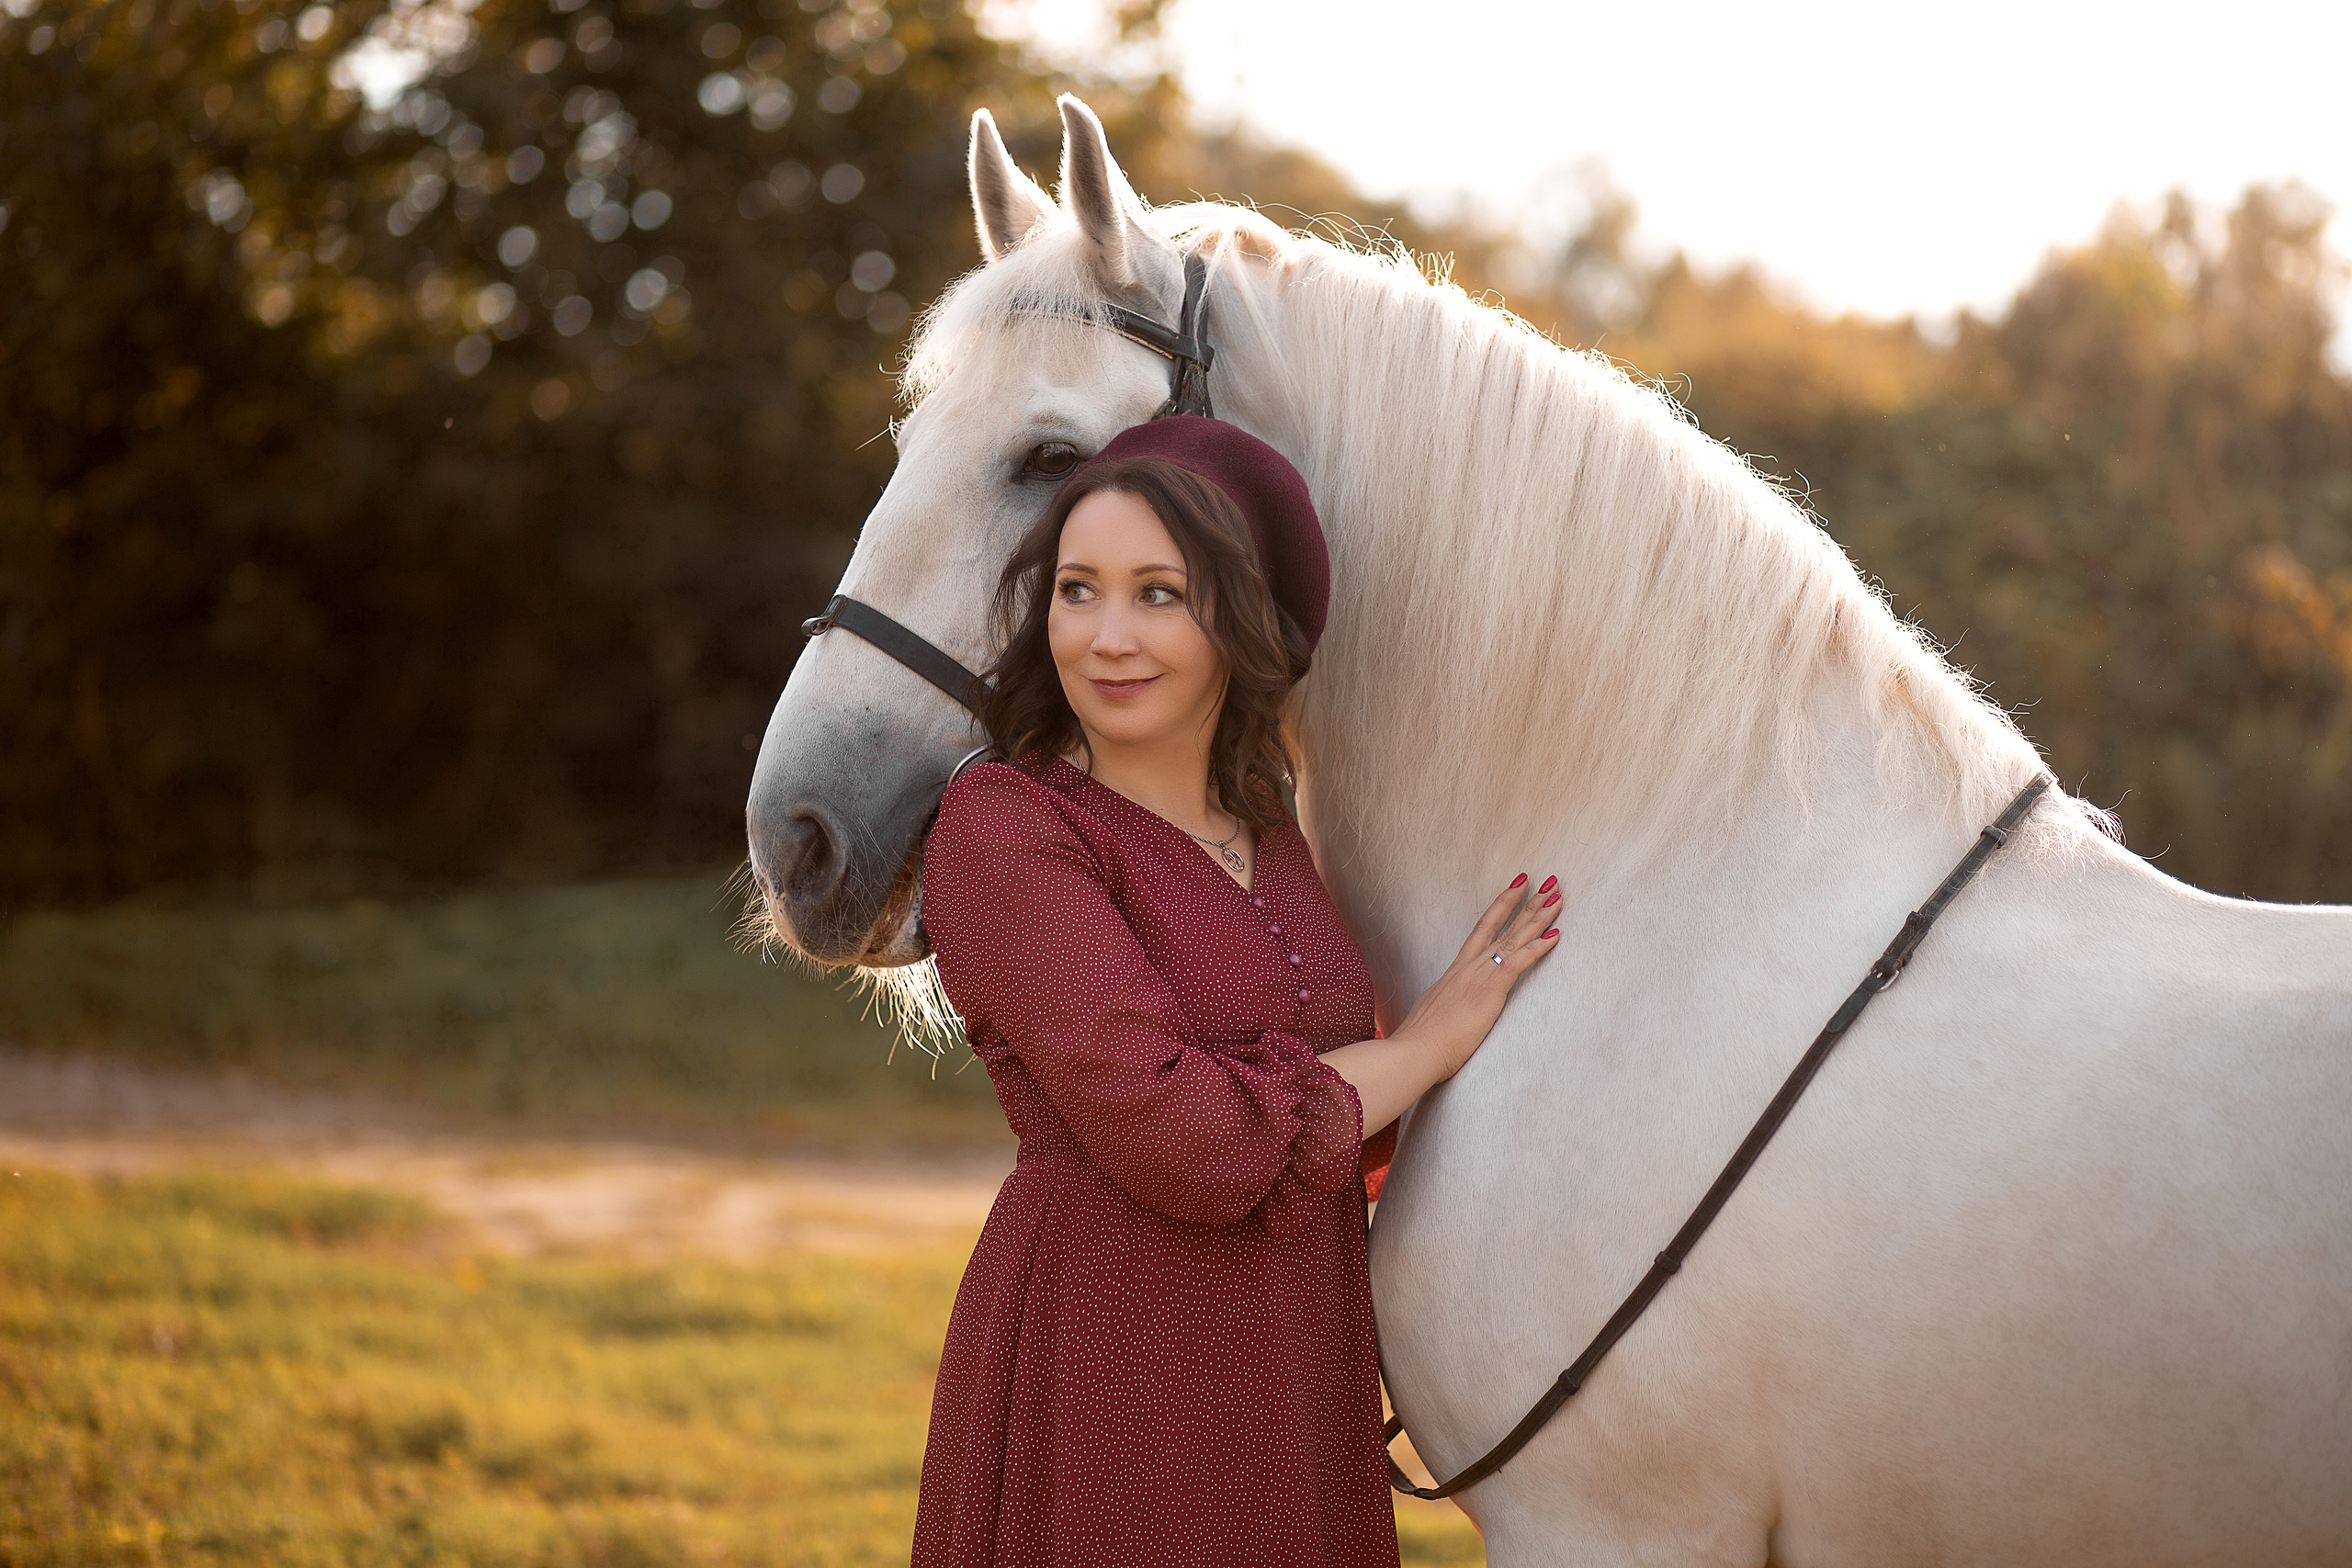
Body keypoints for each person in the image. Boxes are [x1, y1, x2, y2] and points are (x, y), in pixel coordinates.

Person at [911, 416, 1560, 1567]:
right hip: (1114, 1352)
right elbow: (1190, 1139)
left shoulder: (1275, 827)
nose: (1107, 638)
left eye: (1159, 594)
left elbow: (1346, 1130)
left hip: (1297, 1347)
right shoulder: (1006, 826)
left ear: (1241, 615)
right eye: (1077, 590)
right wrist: (1433, 1038)